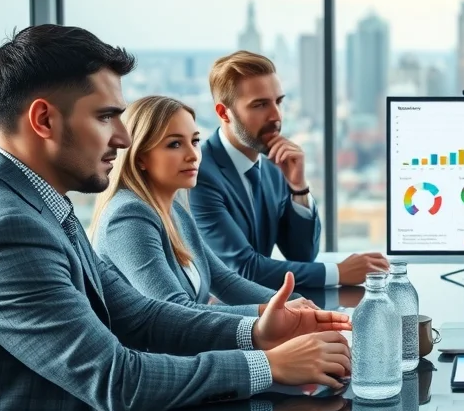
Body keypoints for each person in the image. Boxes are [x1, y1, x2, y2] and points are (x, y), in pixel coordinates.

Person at [0, 24, 352, 411]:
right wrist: (270, 365)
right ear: (44, 120)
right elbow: (117, 380)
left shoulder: (37, 203)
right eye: (106, 116)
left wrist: (256, 330)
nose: (124, 137)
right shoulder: (9, 229)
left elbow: (139, 316)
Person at [90, 95, 323, 317]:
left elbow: (223, 280)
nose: (193, 155)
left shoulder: (175, 210)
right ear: (140, 156)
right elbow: (175, 311)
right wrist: (271, 312)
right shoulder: (129, 217)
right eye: (174, 144)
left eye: (195, 141)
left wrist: (291, 304)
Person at [189, 51, 387, 291]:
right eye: (260, 105)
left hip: (267, 307)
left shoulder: (274, 165)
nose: (276, 115)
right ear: (223, 113)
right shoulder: (200, 175)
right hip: (224, 314)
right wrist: (339, 272)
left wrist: (298, 187)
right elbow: (242, 269)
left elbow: (302, 254)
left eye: (279, 101)